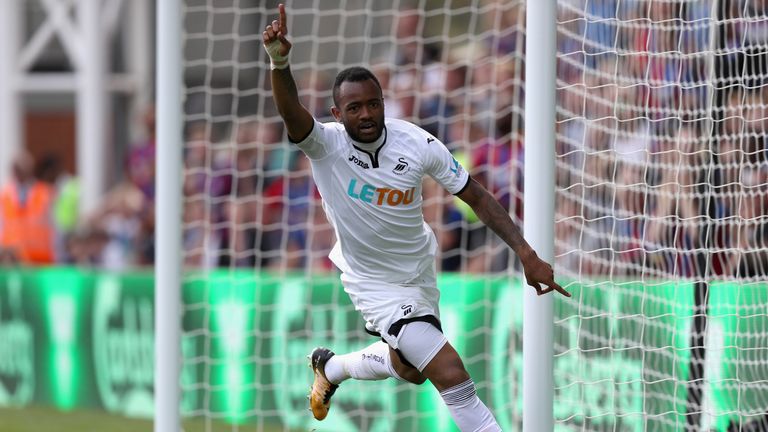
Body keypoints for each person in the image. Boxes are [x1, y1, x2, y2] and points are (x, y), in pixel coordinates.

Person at [262, 5, 570, 430]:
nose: (366, 114)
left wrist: (526, 252)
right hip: (372, 280)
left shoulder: (417, 143)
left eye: (373, 104)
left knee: (412, 369)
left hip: (419, 270)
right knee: (450, 373)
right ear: (337, 114)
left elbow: (476, 196)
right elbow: (291, 111)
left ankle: (330, 369)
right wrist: (280, 62)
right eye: (354, 108)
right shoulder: (325, 146)